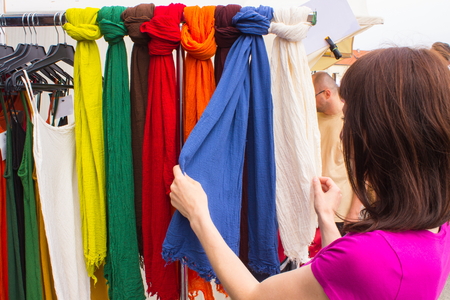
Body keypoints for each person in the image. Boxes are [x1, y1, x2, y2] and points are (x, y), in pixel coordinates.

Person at [169, 47, 450, 300]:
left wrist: (198, 214)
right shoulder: (438, 232)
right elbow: (343, 283)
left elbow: (254, 295)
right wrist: (326, 218)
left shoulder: (372, 256)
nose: (343, 131)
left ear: (381, 136)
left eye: (350, 120)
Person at [312, 71, 362, 235]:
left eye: (312, 95)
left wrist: (354, 212)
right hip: (314, 208)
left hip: (340, 212)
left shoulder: (353, 122)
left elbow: (363, 172)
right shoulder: (312, 120)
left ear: (327, 93)